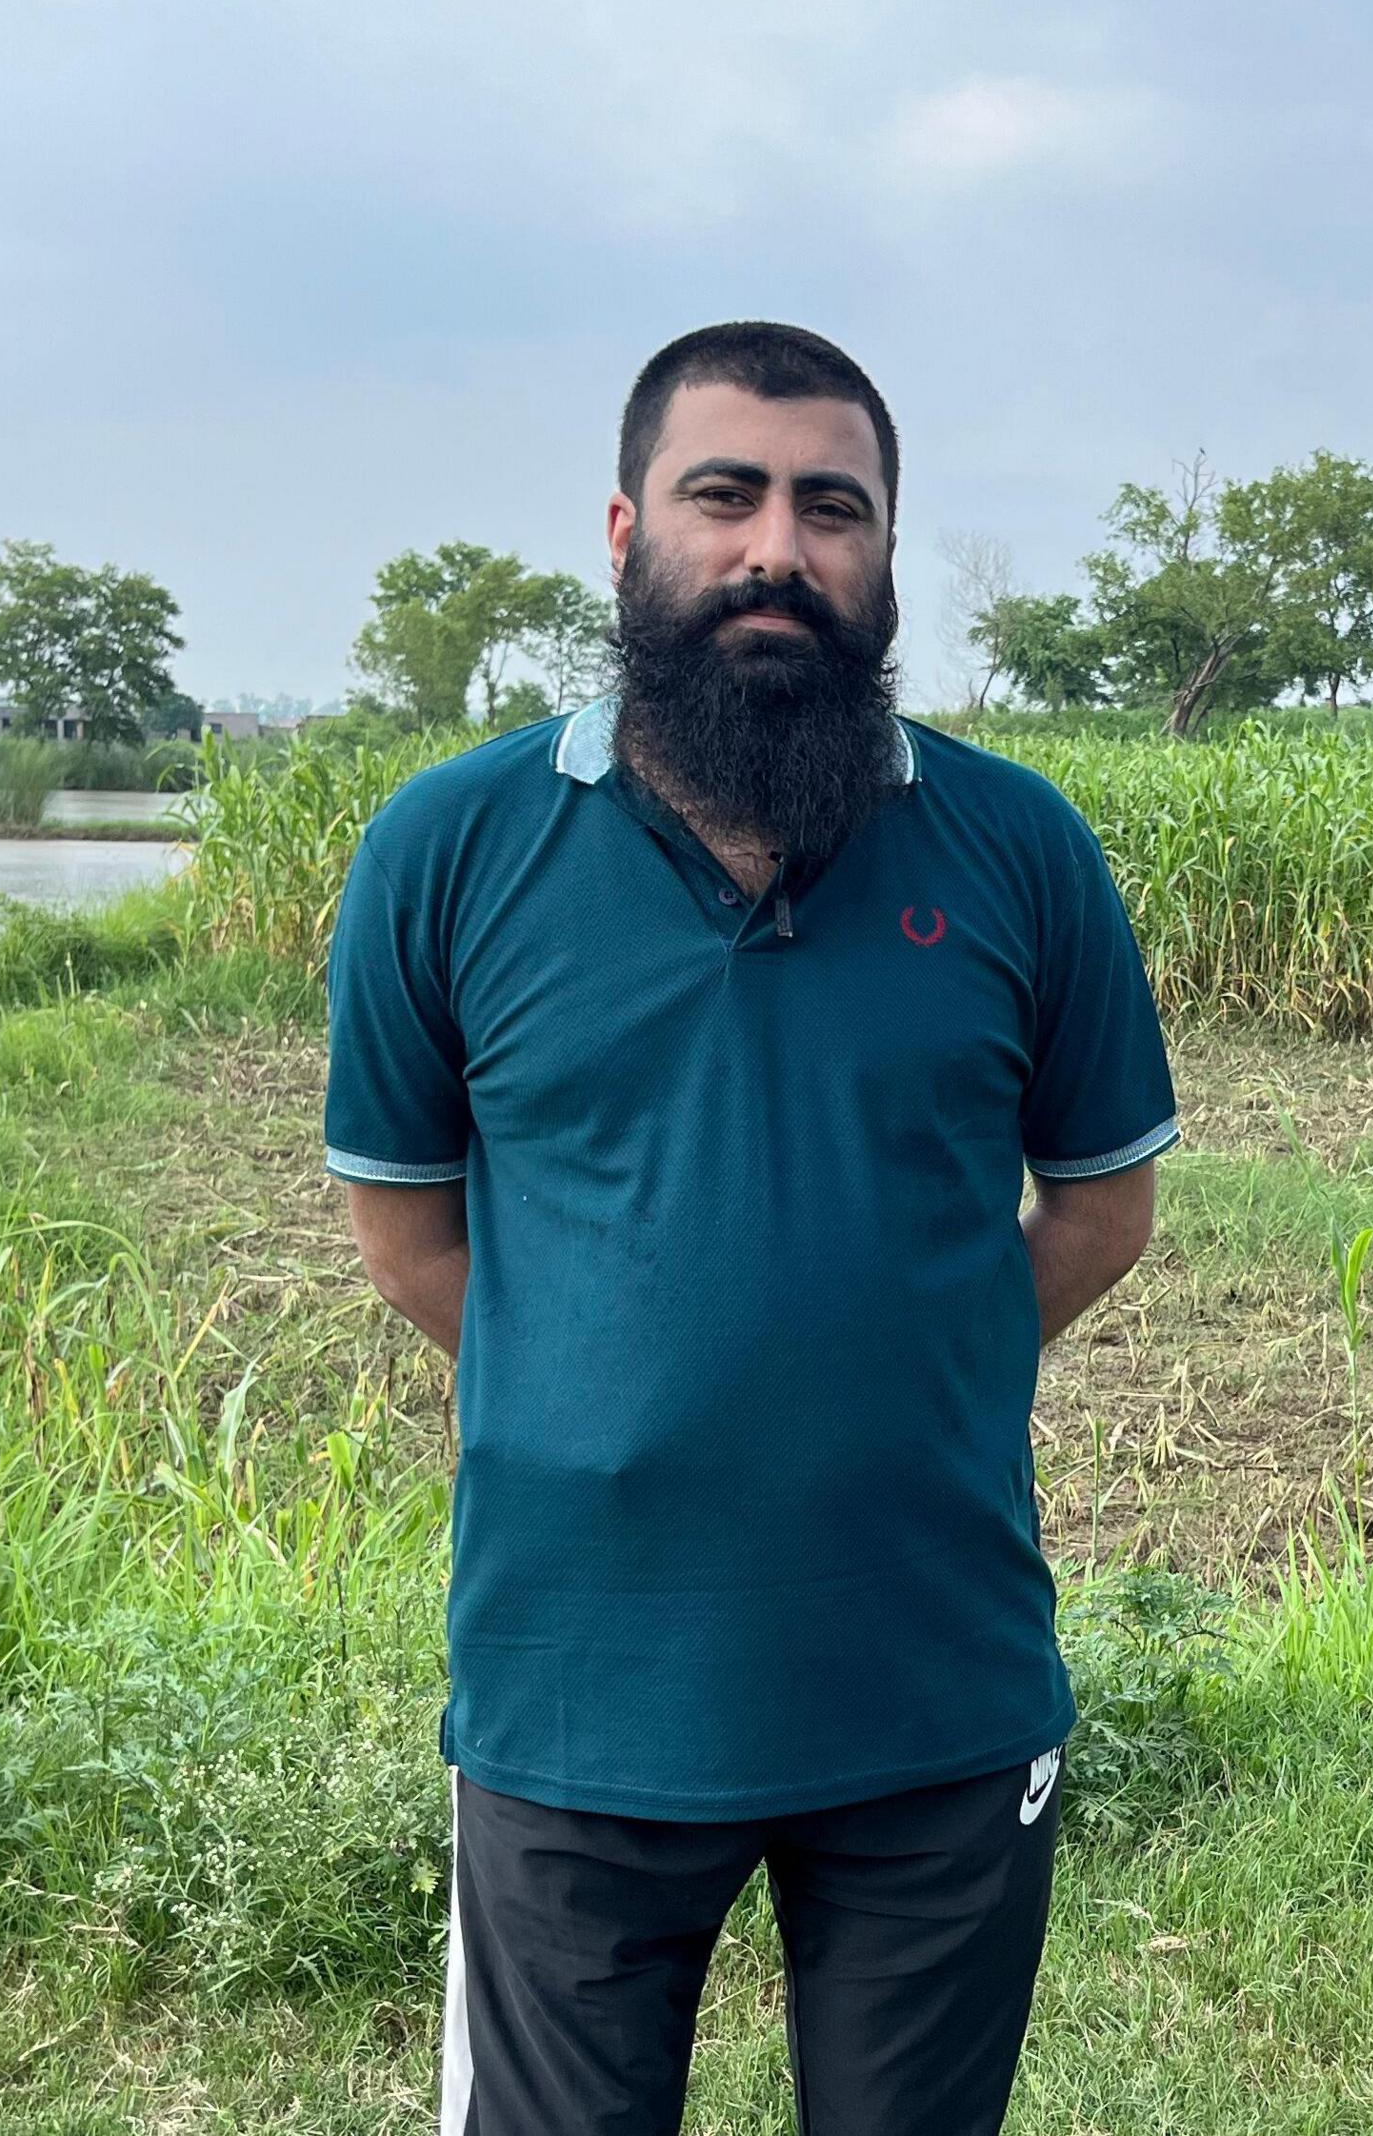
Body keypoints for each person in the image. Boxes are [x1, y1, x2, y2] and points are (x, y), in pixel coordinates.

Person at [325, 321, 1176, 2136]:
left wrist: (910, 1373)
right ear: (627, 531)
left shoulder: (1019, 847)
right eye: (726, 496)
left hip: (931, 1687)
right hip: (575, 1696)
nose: (776, 549)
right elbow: (406, 1239)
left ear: (883, 556)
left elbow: (1102, 1207)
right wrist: (604, 1398)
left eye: (831, 508)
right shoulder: (448, 851)